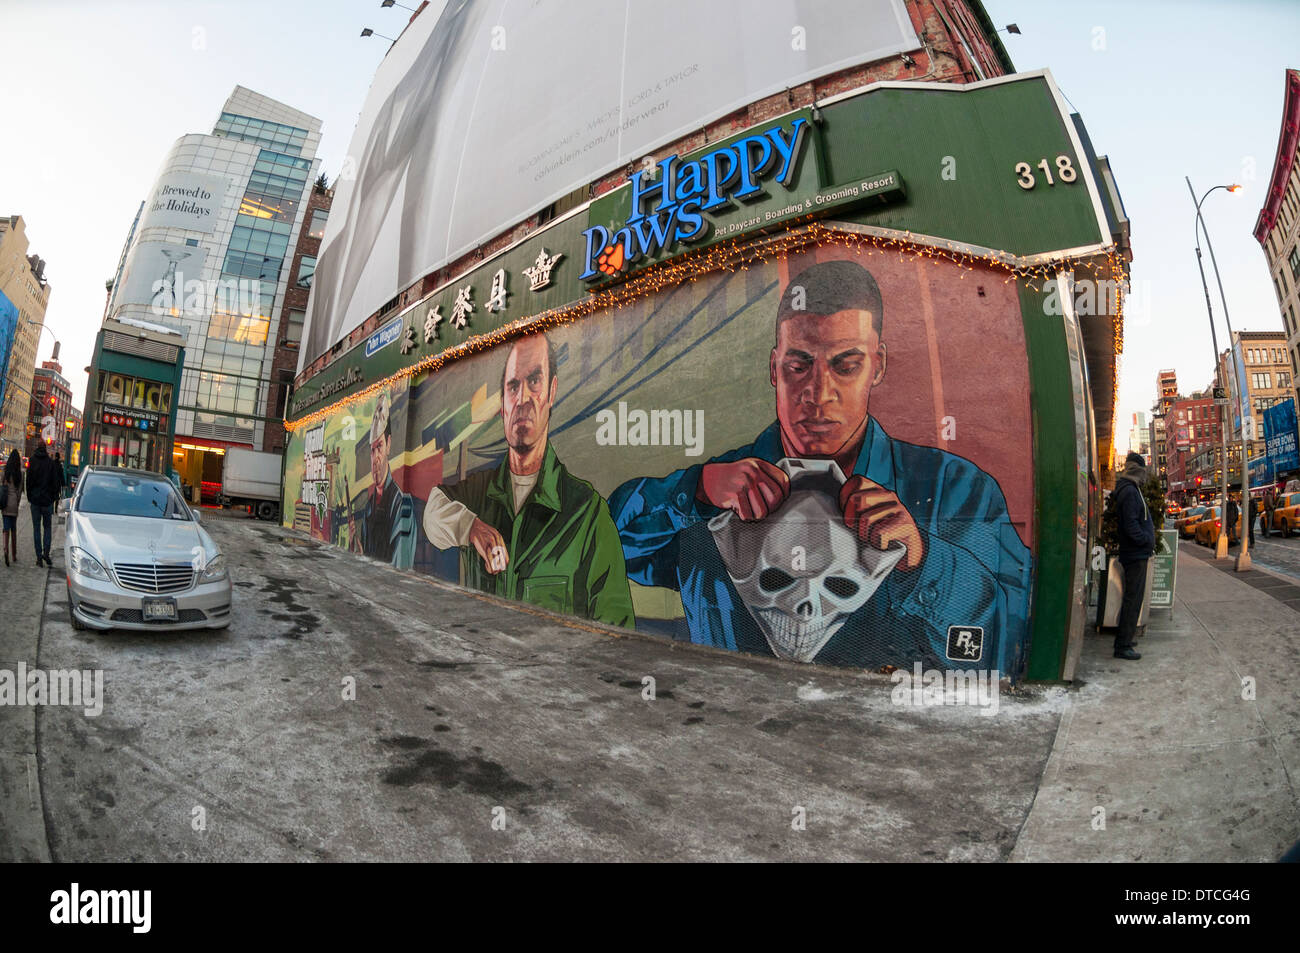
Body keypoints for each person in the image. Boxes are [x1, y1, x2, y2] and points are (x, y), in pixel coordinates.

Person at [609, 259, 1033, 670]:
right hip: (731, 730)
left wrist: (925, 563)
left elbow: (1016, 634)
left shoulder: (956, 490)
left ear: (878, 366)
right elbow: (611, 543)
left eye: (846, 366)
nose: (819, 392)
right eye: (799, 365)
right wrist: (693, 491)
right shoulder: (715, 491)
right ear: (774, 368)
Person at [423, 333, 635, 627]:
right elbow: (433, 511)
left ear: (552, 391)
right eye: (513, 386)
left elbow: (618, 637)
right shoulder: (480, 493)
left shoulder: (587, 516)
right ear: (502, 406)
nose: (522, 399)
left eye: (534, 381)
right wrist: (470, 527)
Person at [353, 391, 416, 568]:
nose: (375, 457)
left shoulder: (402, 504)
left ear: (388, 444)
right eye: (372, 450)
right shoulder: (368, 508)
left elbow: (400, 568)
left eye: (379, 447)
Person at [1113, 451, 1155, 660]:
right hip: (1135, 553)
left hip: (1135, 552)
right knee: (1132, 600)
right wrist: (1145, 540)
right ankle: (1122, 646)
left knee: (1132, 599)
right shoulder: (1130, 491)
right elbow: (1130, 524)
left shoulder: (1131, 488)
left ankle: (1126, 639)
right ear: (1137, 469)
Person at [25, 439, 63, 568]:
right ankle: (46, 553)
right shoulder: (50, 463)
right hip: (47, 502)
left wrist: (30, 497)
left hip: (35, 501)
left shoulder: (32, 461)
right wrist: (52, 498)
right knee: (47, 528)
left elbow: (28, 481)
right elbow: (55, 483)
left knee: (36, 529)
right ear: (45, 448)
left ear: (36, 447)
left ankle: (38, 557)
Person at [2, 449, 23, 567]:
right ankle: (14, 554)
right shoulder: (19, 474)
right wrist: (17, 503)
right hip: (14, 505)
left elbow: (1, 486)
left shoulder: (5, 472)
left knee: (6, 528)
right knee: (13, 529)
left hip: (5, 503)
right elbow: (20, 493)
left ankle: (5, 549)